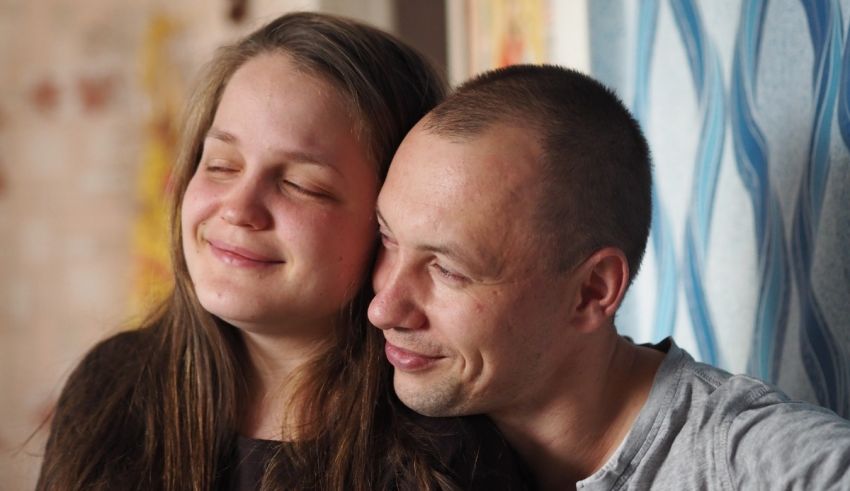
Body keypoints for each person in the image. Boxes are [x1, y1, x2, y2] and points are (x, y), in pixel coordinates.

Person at [37, 12, 527, 491]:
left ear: (391, 225)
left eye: (300, 184)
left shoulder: (452, 452)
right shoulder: (112, 386)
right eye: (222, 165)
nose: (239, 209)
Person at [368, 64, 850, 490]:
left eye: (448, 269)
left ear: (592, 291)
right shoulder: (403, 436)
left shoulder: (747, 462)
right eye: (387, 238)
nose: (383, 308)